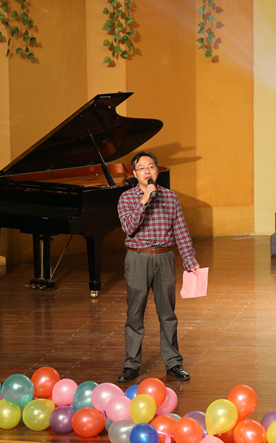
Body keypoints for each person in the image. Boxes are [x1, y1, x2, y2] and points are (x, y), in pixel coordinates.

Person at [116, 151, 200, 382]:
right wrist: (144, 200)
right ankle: (131, 365)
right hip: (138, 258)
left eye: (151, 166)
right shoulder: (126, 198)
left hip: (164, 258)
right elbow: (129, 228)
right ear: (135, 174)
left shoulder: (170, 197)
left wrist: (190, 261)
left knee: (168, 314)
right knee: (135, 314)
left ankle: (173, 363)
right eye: (142, 168)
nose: (147, 171)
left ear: (157, 170)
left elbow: (181, 231)